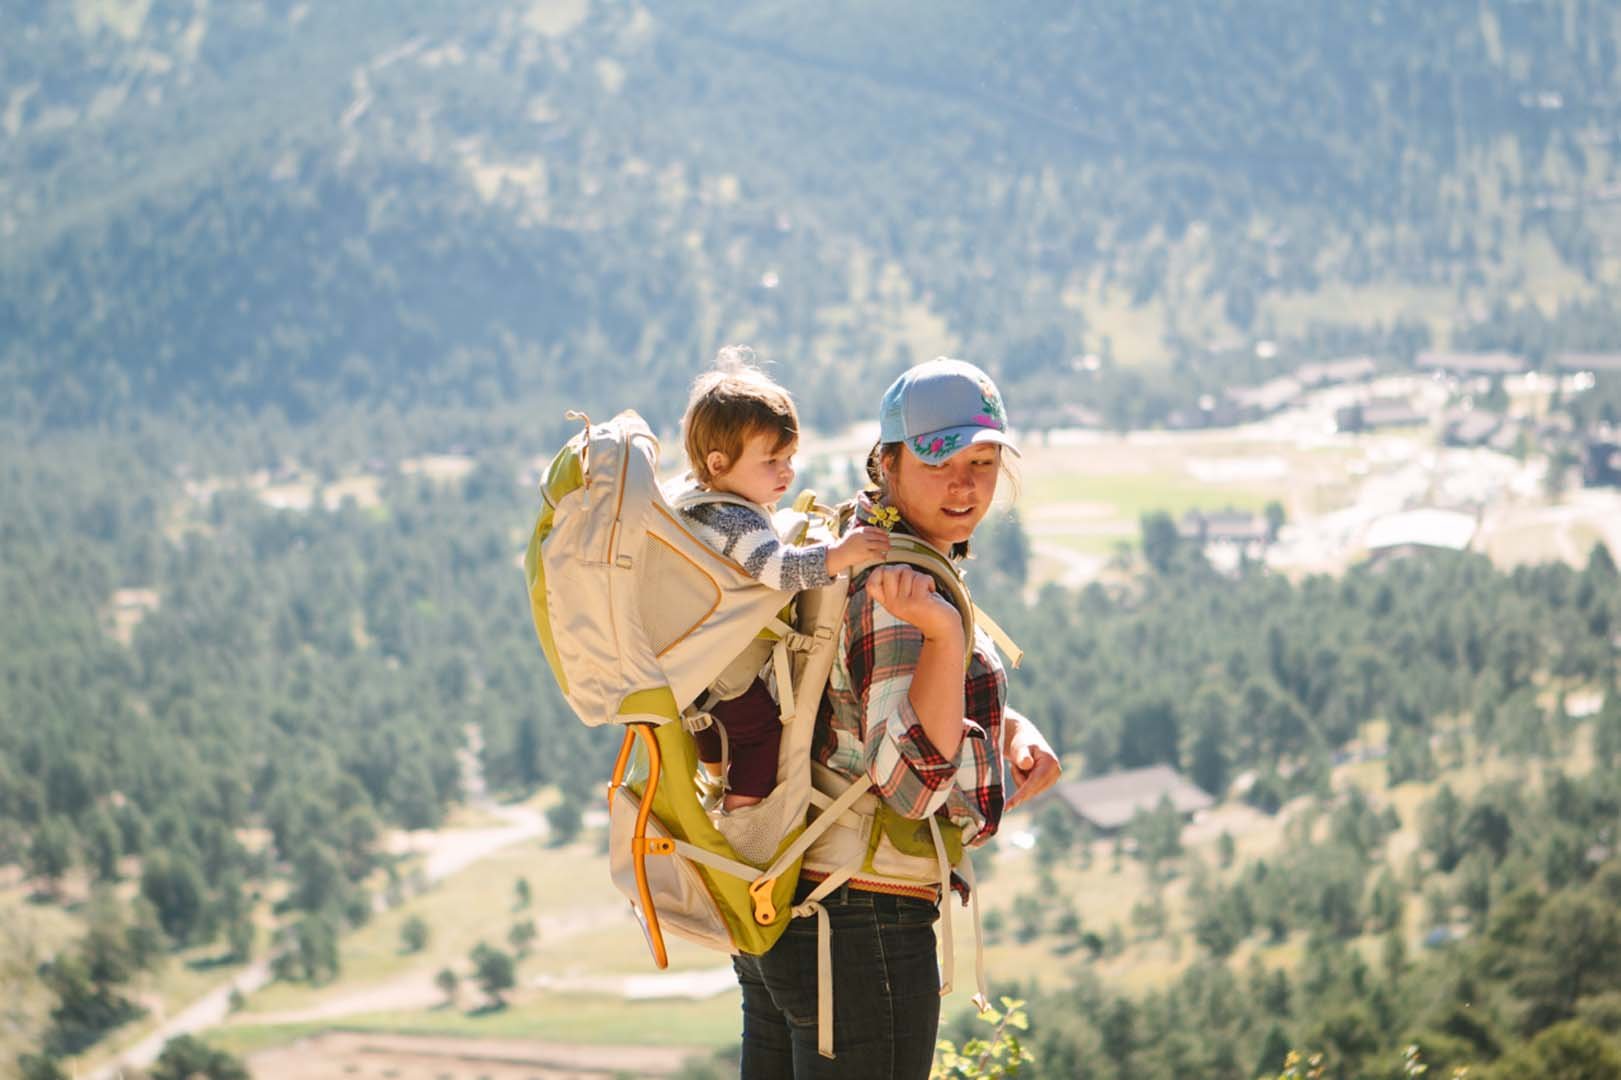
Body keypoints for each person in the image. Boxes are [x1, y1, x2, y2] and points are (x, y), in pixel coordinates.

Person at [731, 356, 1062, 1079]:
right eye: (939, 459)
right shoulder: (901, 586)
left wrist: (1001, 727)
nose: (964, 484)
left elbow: (846, 704)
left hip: (784, 906)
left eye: (982, 461)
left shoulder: (843, 540)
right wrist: (944, 634)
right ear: (885, 461)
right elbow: (909, 788)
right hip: (863, 926)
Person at [676, 347, 892, 813]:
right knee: (760, 734)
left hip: (688, 658)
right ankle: (742, 826)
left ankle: (714, 781)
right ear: (717, 464)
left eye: (789, 458)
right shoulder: (737, 521)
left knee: (717, 726)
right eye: (771, 461)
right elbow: (778, 570)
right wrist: (840, 554)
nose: (787, 472)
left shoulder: (693, 502)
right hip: (723, 666)